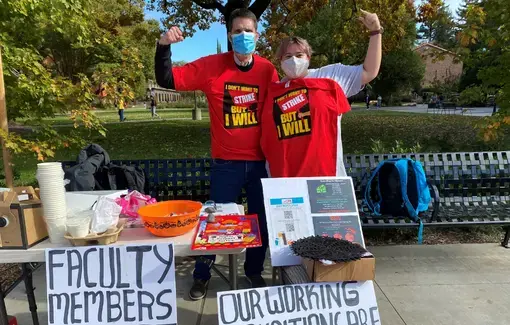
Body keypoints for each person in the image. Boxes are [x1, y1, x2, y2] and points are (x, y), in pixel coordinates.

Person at [155, 9, 278, 300]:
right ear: (229, 35)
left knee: (258, 221)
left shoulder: (267, 70)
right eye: (237, 31)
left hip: (261, 163)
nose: (243, 36)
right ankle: (202, 275)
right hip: (227, 164)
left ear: (257, 36)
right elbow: (167, 79)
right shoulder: (212, 67)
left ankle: (253, 271)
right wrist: (163, 47)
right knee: (215, 223)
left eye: (249, 31)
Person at [261, 9, 382, 178]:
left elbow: (369, 71)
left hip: (326, 179)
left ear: (308, 57)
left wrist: (375, 31)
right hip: (284, 181)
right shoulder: (272, 91)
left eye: (299, 55)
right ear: (280, 60)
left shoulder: (330, 76)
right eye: (287, 56)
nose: (293, 60)